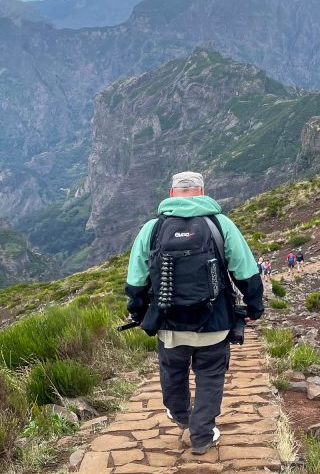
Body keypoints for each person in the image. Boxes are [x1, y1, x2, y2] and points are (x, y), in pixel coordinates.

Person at [124, 171, 264, 455]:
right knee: (210, 375)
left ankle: (181, 417)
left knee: (172, 372)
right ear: (202, 191)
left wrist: (137, 313)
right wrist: (254, 307)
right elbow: (246, 271)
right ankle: (201, 435)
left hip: (169, 324)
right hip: (215, 322)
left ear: (172, 193)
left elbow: (136, 279)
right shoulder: (220, 224)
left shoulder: (151, 229)